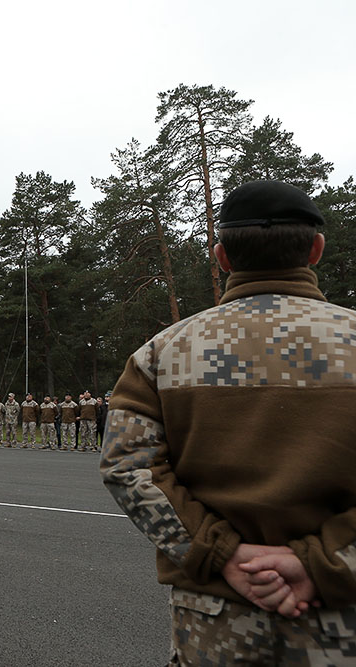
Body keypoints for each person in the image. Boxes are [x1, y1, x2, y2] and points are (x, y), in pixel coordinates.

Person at [101, 180, 356, 664]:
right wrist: (321, 563)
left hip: (215, 615)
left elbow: (127, 468)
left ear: (222, 258)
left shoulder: (161, 354)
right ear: (316, 250)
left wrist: (222, 554)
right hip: (342, 612)